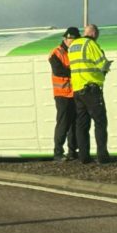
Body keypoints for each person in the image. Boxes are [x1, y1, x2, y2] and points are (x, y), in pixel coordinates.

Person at [68, 24, 115, 164]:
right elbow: (102, 64)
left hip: (77, 89)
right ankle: (102, 156)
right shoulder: (91, 44)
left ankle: (84, 157)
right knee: (100, 122)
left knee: (82, 124)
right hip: (91, 89)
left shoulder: (73, 46)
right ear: (94, 33)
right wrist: (106, 67)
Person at [49, 27, 80, 161]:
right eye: (70, 39)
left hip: (75, 93)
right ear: (65, 39)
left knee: (74, 124)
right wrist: (75, 72)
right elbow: (58, 70)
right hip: (62, 94)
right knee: (63, 123)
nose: (72, 42)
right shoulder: (56, 53)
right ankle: (58, 153)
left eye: (74, 39)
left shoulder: (76, 52)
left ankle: (72, 152)